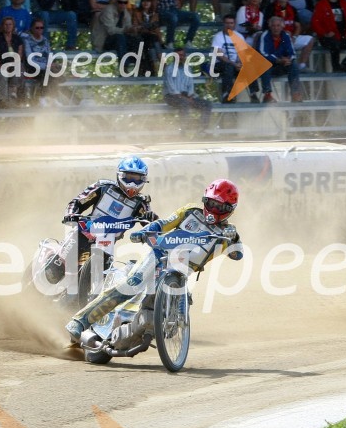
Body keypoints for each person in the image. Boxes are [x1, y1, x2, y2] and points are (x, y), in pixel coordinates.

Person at [65, 178, 242, 341]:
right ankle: (80, 321)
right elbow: (163, 223)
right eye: (210, 203)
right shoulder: (190, 211)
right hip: (159, 254)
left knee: (184, 296)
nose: (213, 209)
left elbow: (237, 254)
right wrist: (144, 231)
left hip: (182, 270)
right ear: (204, 200)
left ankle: (156, 322)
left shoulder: (227, 232)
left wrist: (234, 238)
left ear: (230, 209)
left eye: (219, 207)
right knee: (130, 285)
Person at [54, 156, 157, 289]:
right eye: (129, 177)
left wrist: (151, 219)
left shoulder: (141, 202)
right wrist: (70, 215)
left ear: (143, 179)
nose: (132, 183)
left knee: (102, 277)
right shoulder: (103, 187)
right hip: (84, 233)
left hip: (107, 245)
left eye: (137, 178)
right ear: (120, 175)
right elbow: (78, 202)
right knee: (57, 269)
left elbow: (149, 223)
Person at [210, 13, 260, 102]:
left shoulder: (239, 36)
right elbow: (219, 55)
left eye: (231, 23)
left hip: (235, 64)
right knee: (228, 66)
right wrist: (234, 64)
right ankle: (227, 94)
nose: (229, 25)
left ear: (234, 24)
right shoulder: (218, 37)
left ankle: (253, 94)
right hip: (219, 64)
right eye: (227, 23)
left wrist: (240, 64)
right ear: (224, 24)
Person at [263, 0, 315, 72]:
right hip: (275, 39)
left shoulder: (292, 9)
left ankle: (301, 65)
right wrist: (282, 34)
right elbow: (268, 27)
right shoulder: (270, 8)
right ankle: (281, 65)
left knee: (309, 40)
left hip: (290, 38)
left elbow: (298, 26)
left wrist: (294, 36)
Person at [256, 15, 303, 103]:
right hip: (269, 65)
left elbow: (292, 53)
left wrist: (288, 59)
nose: (276, 28)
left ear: (282, 27)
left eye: (278, 26)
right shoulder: (265, 36)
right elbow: (263, 53)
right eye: (273, 26)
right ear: (270, 26)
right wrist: (278, 60)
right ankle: (267, 95)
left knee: (293, 65)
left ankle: (295, 93)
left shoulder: (286, 36)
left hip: (282, 64)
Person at [162, 47, 212, 130]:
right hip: (171, 96)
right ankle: (184, 130)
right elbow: (172, 89)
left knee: (207, 104)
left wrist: (190, 96)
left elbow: (190, 85)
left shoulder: (188, 68)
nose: (181, 57)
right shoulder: (169, 69)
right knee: (184, 103)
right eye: (178, 55)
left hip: (187, 96)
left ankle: (202, 131)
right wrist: (186, 99)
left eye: (182, 55)